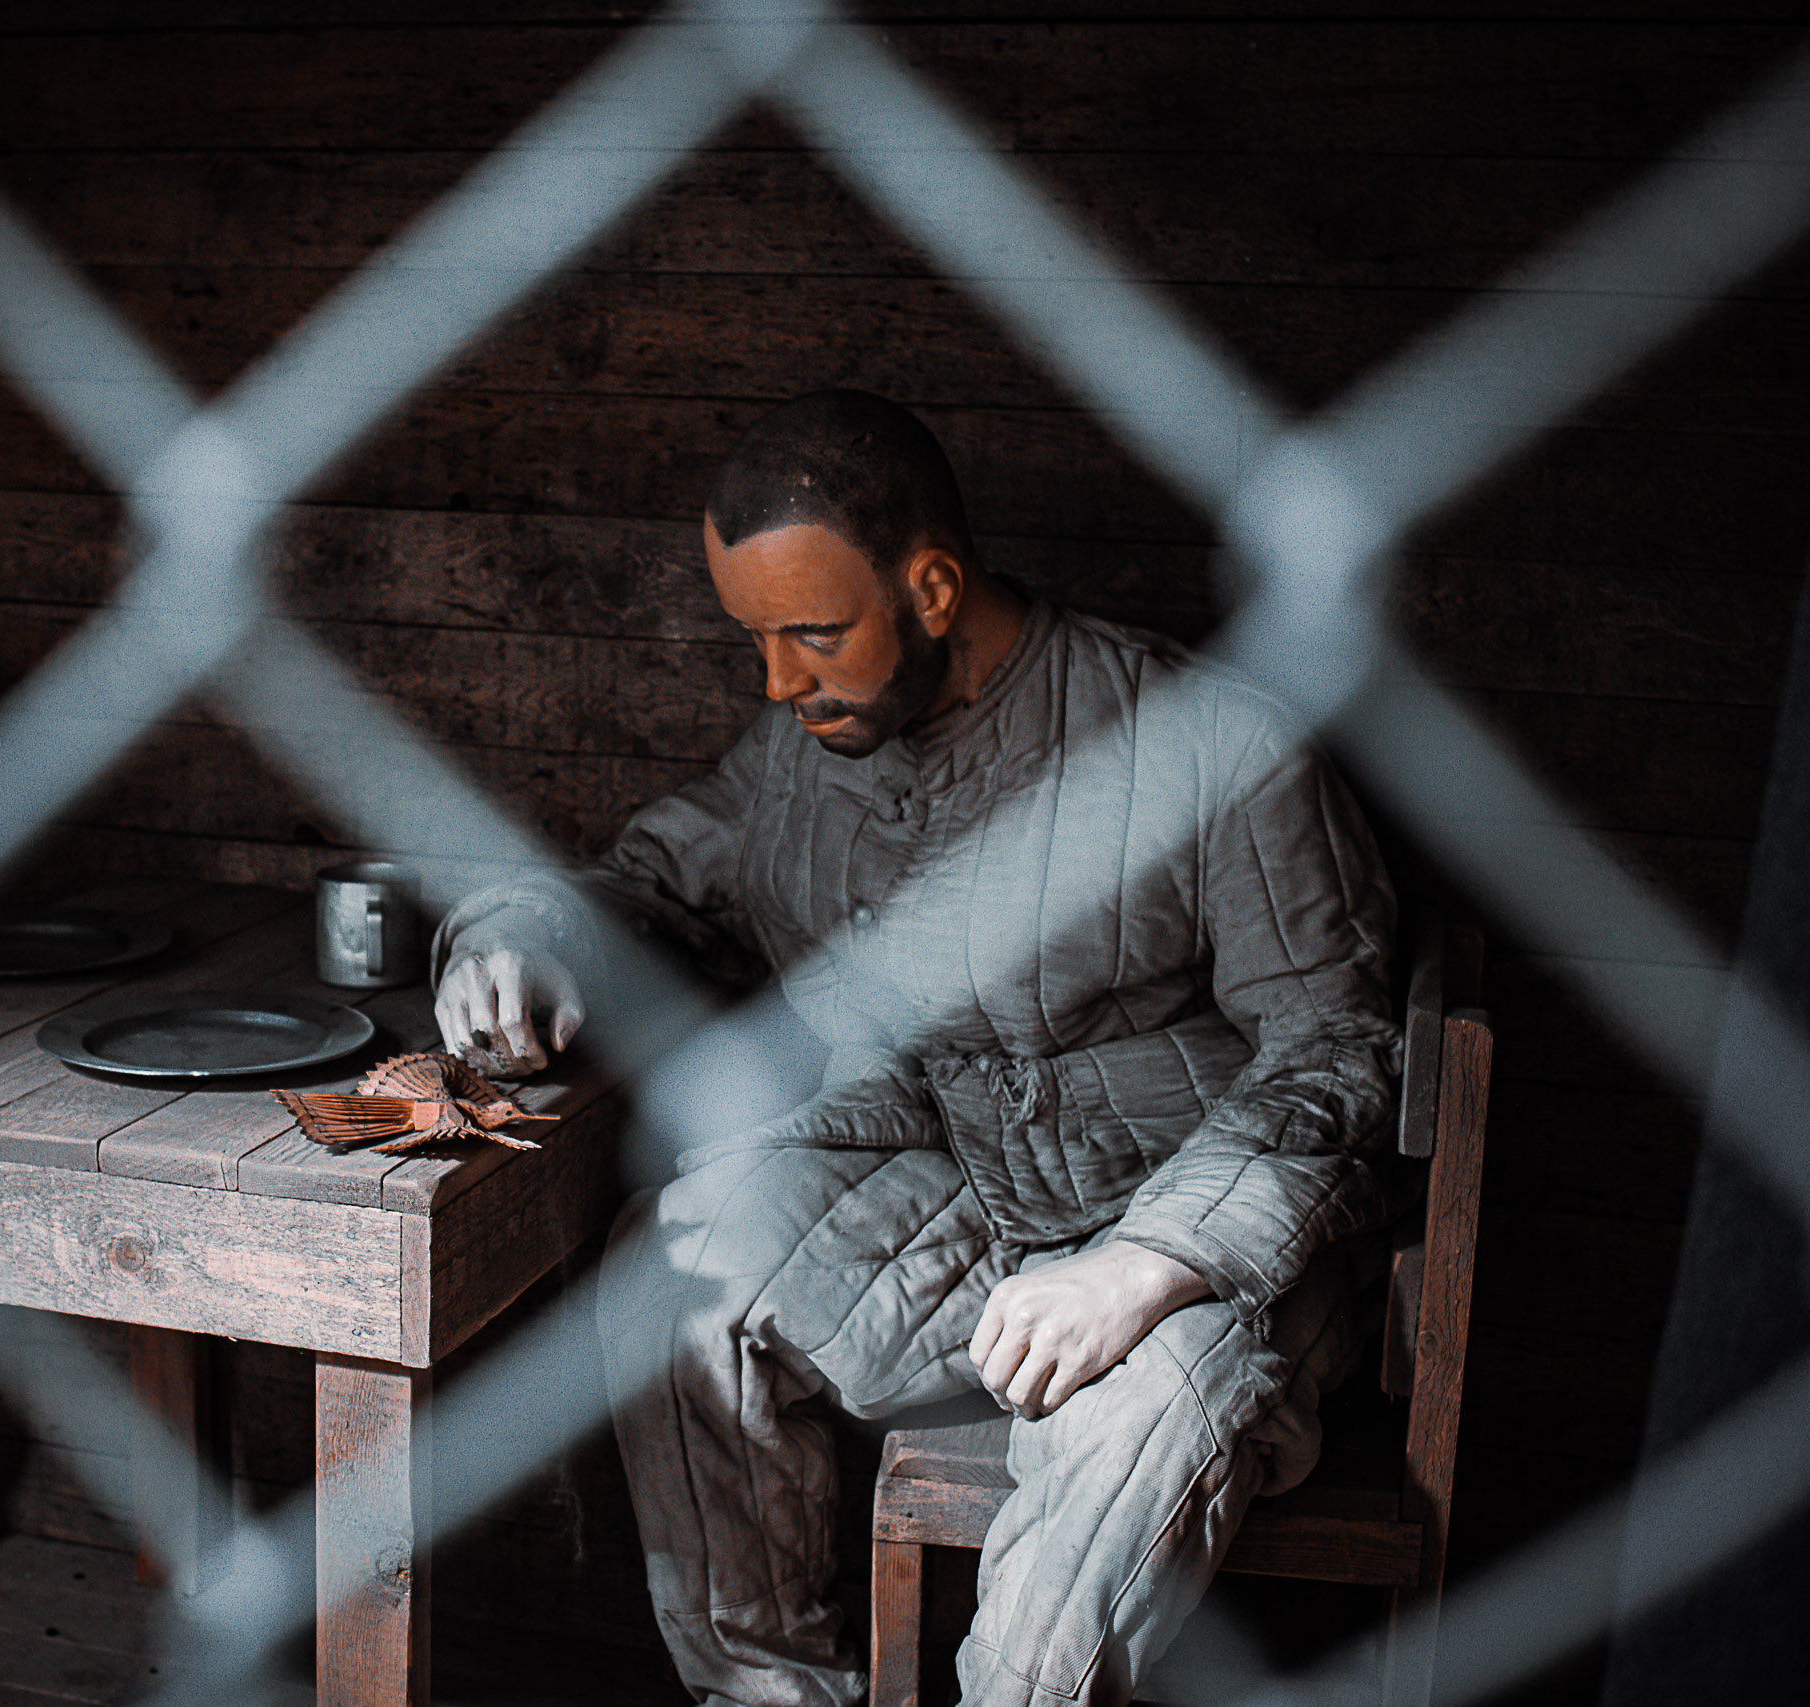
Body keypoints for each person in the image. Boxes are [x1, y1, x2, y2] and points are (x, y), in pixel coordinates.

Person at [430, 391, 1401, 1707]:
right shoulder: (807, 747)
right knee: (672, 1269)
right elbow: (651, 883)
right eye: (756, 639)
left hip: (1196, 1249)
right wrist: (520, 936)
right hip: (960, 1208)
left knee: (1127, 1452)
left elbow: (1334, 1051)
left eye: (814, 634)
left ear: (932, 588)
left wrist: (1145, 1267)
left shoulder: (1213, 738)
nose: (778, 683)